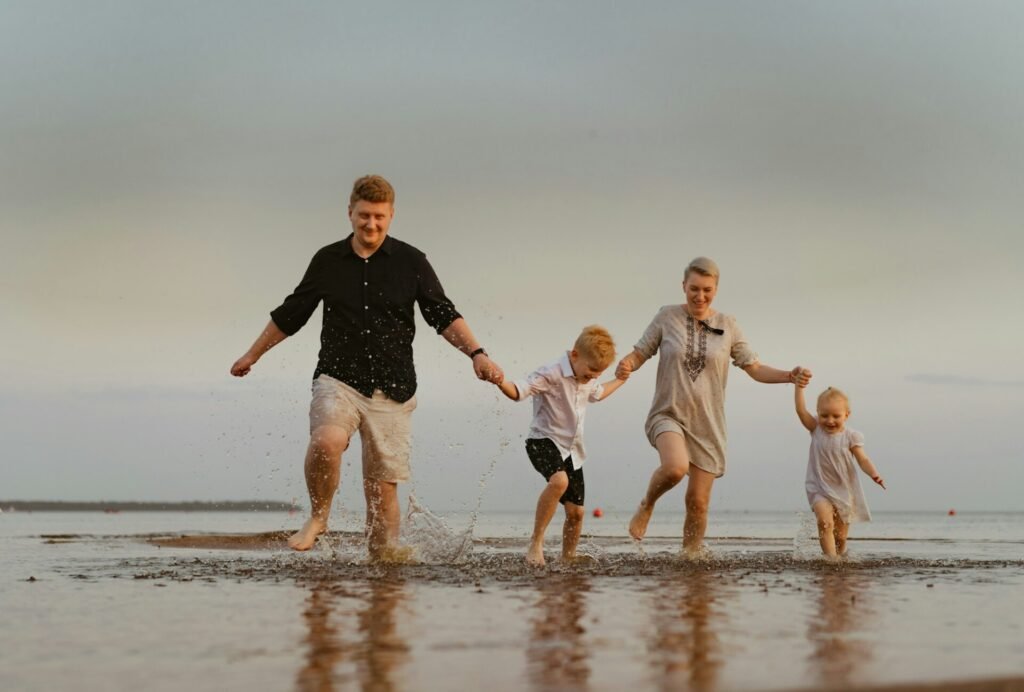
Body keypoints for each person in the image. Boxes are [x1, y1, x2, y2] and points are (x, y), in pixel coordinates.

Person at [230, 175, 503, 557]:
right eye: (363, 216)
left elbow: (442, 315)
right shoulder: (327, 260)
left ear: (391, 216)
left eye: (378, 217)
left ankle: (384, 569)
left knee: (381, 490)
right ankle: (319, 517)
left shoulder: (412, 261)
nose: (370, 224)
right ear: (349, 212)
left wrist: (478, 353)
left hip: (393, 387)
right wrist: (252, 355)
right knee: (327, 441)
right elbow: (293, 313)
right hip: (338, 379)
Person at [615, 256, 813, 557]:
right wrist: (626, 365)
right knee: (675, 468)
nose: (700, 296)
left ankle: (690, 559)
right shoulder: (666, 317)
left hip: (708, 423)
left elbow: (754, 367)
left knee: (698, 501)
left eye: (707, 289)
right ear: (684, 286)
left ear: (716, 289)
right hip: (668, 412)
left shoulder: (729, 325)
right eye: (694, 288)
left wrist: (789, 375)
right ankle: (647, 504)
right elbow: (641, 352)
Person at [496, 325, 626, 566]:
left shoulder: (588, 375)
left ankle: (568, 558)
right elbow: (518, 391)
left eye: (600, 372)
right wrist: (499, 380)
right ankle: (536, 543)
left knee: (576, 513)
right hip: (542, 441)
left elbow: (598, 393)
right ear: (575, 355)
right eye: (591, 372)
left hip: (572, 450)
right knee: (559, 481)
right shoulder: (551, 373)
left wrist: (619, 379)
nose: (594, 377)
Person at [794, 385, 885, 559]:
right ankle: (830, 561)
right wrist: (799, 387)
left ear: (846, 415)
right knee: (825, 523)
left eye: (836, 416)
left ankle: (841, 557)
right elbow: (800, 410)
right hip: (819, 487)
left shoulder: (851, 436)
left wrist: (874, 474)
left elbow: (863, 459)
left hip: (845, 490)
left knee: (840, 537)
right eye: (824, 415)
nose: (830, 421)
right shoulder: (816, 429)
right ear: (817, 413)